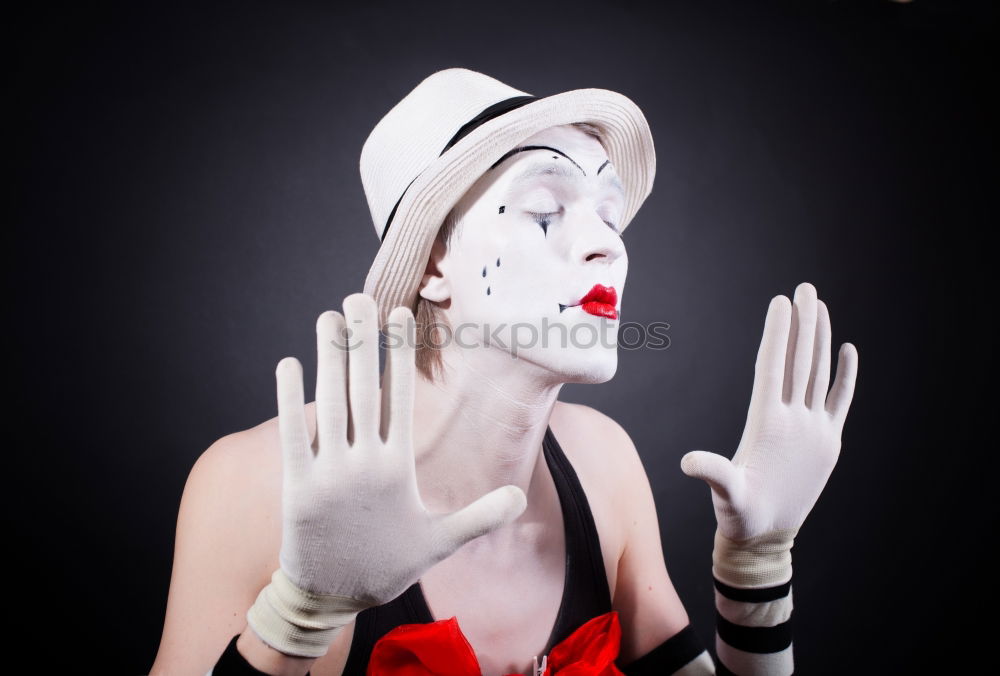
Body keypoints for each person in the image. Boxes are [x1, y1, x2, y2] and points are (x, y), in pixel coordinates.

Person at [149, 68, 858, 676]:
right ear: (432, 266)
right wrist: (296, 620)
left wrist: (757, 568)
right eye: (546, 209)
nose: (607, 247)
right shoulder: (252, 484)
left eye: (611, 216)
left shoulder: (604, 463)